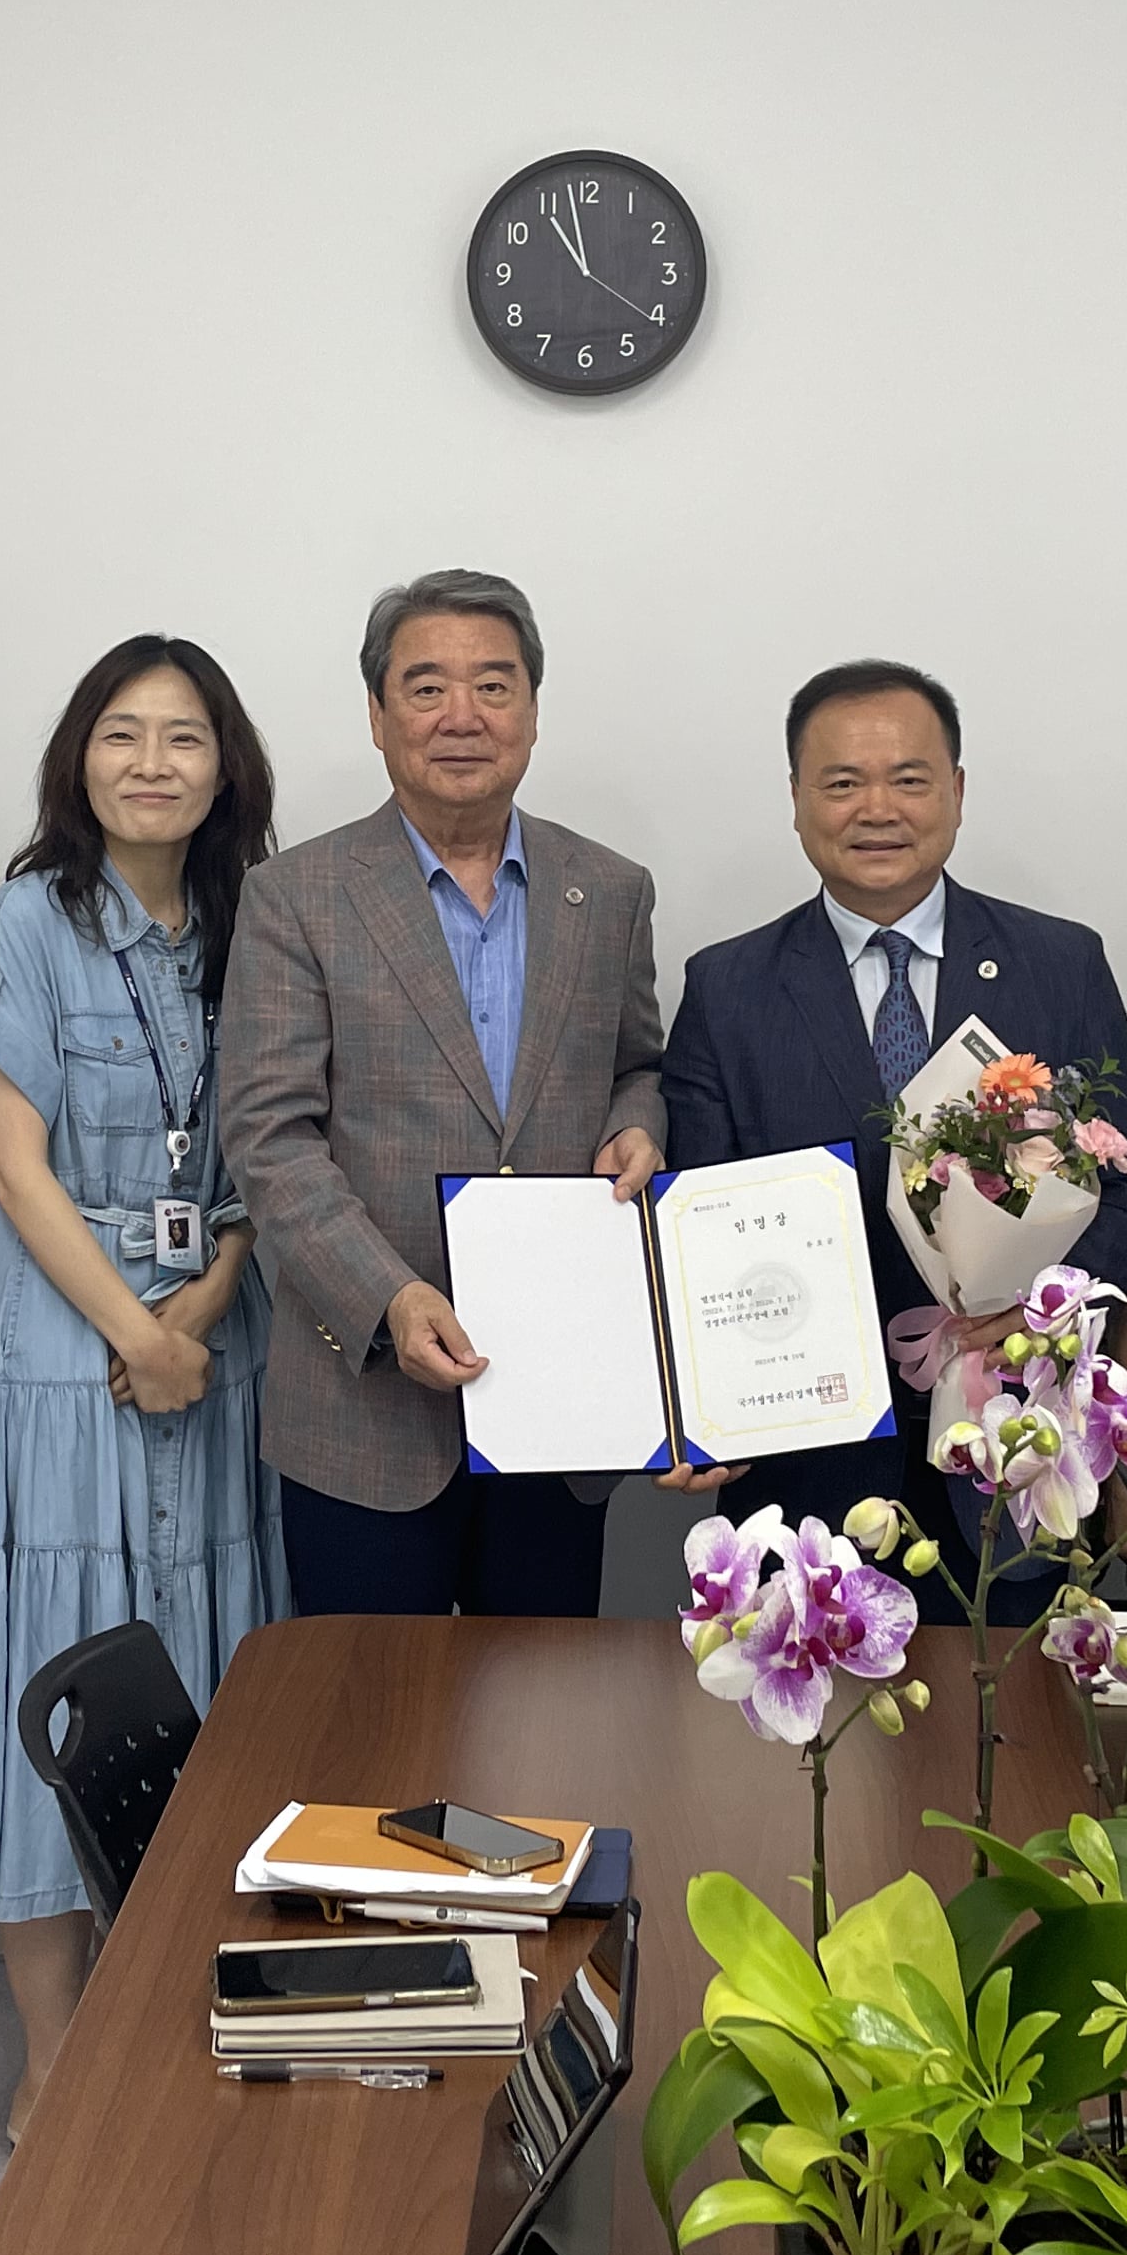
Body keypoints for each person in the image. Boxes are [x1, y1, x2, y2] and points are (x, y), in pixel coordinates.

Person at [0, 637, 291, 2138]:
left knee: (211, 1669)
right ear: (81, 759)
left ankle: (192, 2008)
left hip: (221, 1339)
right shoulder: (33, 917)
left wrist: (204, 1297)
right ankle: (54, 2051)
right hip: (62, 1359)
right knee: (58, 1673)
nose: (152, 763)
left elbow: (277, 1131)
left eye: (184, 737)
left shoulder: (265, 922)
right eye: (122, 735)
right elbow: (14, 1165)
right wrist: (135, 1333)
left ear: (226, 765)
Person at [214, 569, 710, 1618]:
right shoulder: (297, 895)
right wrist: (388, 1300)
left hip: (559, 1395)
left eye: (494, 685)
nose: (462, 717)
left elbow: (637, 1062)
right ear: (379, 713)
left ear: (531, 708)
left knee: (538, 1728)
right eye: (427, 687)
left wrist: (636, 1122)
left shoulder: (609, 889)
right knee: (367, 1730)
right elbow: (268, 1137)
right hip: (364, 1408)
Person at [658, 660, 1127, 1604]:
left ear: (958, 793)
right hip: (805, 1466)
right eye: (842, 782)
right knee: (816, 1742)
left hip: (1021, 1445)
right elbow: (698, 1225)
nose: (875, 807)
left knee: (1019, 1733)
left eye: (910, 779)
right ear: (798, 800)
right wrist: (702, 1408)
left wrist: (1042, 1313)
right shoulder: (727, 988)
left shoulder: (1060, 962)